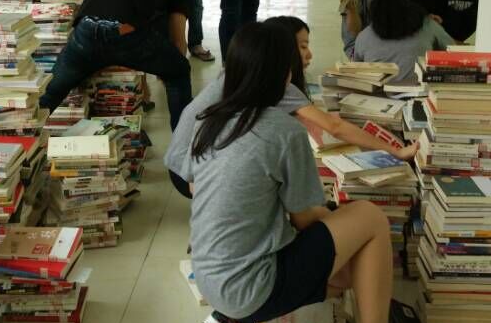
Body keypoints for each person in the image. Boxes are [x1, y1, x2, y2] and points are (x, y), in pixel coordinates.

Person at [188, 21, 431, 323]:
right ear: (284, 73)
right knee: (370, 219)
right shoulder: (282, 131)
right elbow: (305, 220)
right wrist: (340, 215)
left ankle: (242, 321)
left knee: (354, 261)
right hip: (252, 290)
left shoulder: (209, 120)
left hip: (212, 281)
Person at [165, 14, 418, 199]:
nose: (309, 55)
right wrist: (396, 151)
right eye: (302, 46)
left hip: (183, 164)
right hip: (189, 176)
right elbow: (334, 127)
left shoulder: (245, 69)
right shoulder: (272, 80)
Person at [39, 0, 191, 131]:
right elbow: (178, 40)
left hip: (86, 28)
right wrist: (169, 67)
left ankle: (27, 135)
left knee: (53, 91)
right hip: (124, 32)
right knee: (179, 72)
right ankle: (183, 139)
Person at [354, 0, 455, 84]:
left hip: (378, 92)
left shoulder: (363, 37)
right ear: (406, 5)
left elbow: (355, 72)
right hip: (419, 90)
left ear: (374, 11)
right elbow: (453, 51)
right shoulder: (427, 24)